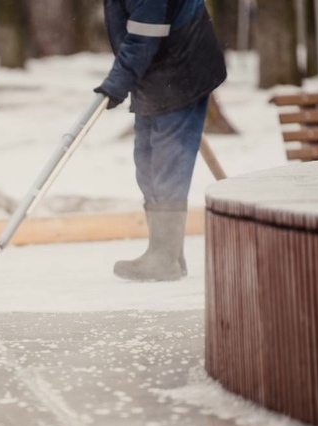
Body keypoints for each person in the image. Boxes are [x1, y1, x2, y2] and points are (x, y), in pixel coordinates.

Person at [95, 0, 226, 281]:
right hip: (155, 72)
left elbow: (145, 34)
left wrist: (116, 84)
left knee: (167, 163)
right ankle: (168, 253)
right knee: (146, 162)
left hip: (182, 69)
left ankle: (164, 258)